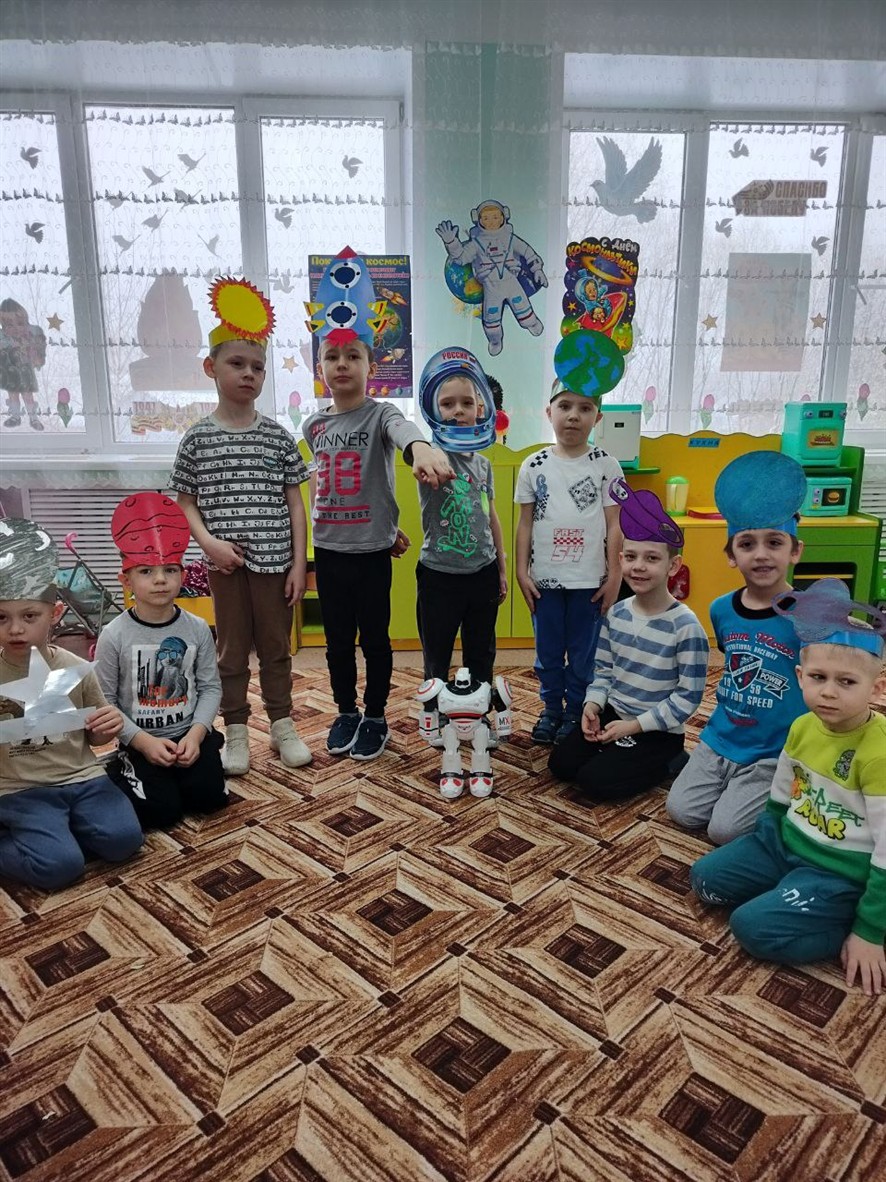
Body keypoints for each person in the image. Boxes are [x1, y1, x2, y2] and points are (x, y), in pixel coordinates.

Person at [690, 579, 886, 997]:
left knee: (751, 927)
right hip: (785, 846)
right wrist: (766, 841)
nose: (828, 692)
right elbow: (782, 792)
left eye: (846, 682)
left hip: (838, 872)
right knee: (706, 880)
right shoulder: (801, 726)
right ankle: (789, 892)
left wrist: (870, 931)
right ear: (800, 677)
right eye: (818, 677)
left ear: (877, 688)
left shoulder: (877, 754)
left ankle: (841, 920)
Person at [302, 247, 454, 761]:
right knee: (336, 642)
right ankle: (346, 710)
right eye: (332, 356)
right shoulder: (314, 425)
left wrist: (422, 449)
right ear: (320, 366)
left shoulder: (381, 413)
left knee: (375, 640)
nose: (342, 364)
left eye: (353, 356)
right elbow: (325, 486)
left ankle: (376, 715)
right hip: (329, 550)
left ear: (372, 363)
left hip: (370, 554)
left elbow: (404, 431)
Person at [170, 278, 311, 776]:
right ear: (211, 368)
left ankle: (282, 725)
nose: (249, 374)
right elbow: (185, 502)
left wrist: (299, 565)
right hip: (226, 567)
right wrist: (209, 544)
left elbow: (295, 503)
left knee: (276, 647)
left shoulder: (277, 436)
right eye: (237, 363)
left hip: (276, 566)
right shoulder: (197, 439)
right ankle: (235, 731)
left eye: (257, 367)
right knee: (230, 652)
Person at [666, 451, 808, 844]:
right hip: (721, 738)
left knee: (723, 831)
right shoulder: (720, 610)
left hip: (773, 750)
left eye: (774, 542)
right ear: (731, 556)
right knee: (681, 811)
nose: (761, 554)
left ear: (795, 551)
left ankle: (787, 792)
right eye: (747, 544)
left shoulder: (808, 615)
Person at [0, 519, 143, 890]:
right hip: (20, 789)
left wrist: (107, 726)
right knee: (60, 868)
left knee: (125, 841)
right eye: (1, 618)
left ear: (55, 614)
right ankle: (47, 836)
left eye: (29, 616)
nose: (15, 629)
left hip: (82, 777)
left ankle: (61, 831)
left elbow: (97, 738)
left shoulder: (75, 667)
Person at [549, 481, 709, 801]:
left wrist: (634, 727)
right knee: (561, 765)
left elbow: (686, 699)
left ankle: (672, 761)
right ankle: (619, 752)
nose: (639, 567)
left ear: (673, 565)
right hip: (615, 714)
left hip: (658, 730)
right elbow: (604, 672)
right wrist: (593, 705)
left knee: (595, 782)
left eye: (652, 558)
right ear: (620, 559)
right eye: (632, 557)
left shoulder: (687, 627)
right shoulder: (617, 613)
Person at [95, 493, 227, 829]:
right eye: (146, 571)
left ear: (182, 574)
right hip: (140, 740)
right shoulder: (114, 635)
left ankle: (206, 752)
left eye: (170, 570)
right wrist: (142, 742)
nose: (160, 579)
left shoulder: (197, 628)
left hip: (188, 735)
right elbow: (104, 702)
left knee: (209, 799)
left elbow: (211, 687)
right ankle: (120, 765)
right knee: (161, 813)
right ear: (126, 580)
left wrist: (197, 734)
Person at [515, 377, 624, 745]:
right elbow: (525, 523)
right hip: (544, 582)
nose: (573, 416)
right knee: (547, 653)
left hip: (589, 582)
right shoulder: (534, 465)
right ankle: (551, 709)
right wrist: (521, 572)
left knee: (583, 654)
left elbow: (615, 524)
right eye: (564, 406)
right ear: (549, 412)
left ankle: (577, 709)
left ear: (598, 417)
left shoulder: (607, 465)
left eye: (585, 408)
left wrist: (615, 576)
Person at [414, 347, 507, 705]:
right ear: (434, 409)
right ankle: (433, 710)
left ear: (480, 408)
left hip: (482, 572)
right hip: (439, 575)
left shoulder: (483, 465)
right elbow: (421, 459)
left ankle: (478, 707)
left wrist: (500, 567)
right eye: (447, 403)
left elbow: (489, 513)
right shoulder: (431, 455)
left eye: (466, 403)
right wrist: (428, 453)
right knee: (436, 655)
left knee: (481, 653)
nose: (457, 411)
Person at [0, 298, 46, 431]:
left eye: (20, 323)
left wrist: (35, 355)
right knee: (13, 394)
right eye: (9, 325)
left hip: (25, 372)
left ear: (26, 323)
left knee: (27, 395)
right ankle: (15, 416)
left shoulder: (28, 338)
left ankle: (33, 418)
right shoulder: (5, 340)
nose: (16, 328)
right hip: (10, 372)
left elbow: (35, 353)